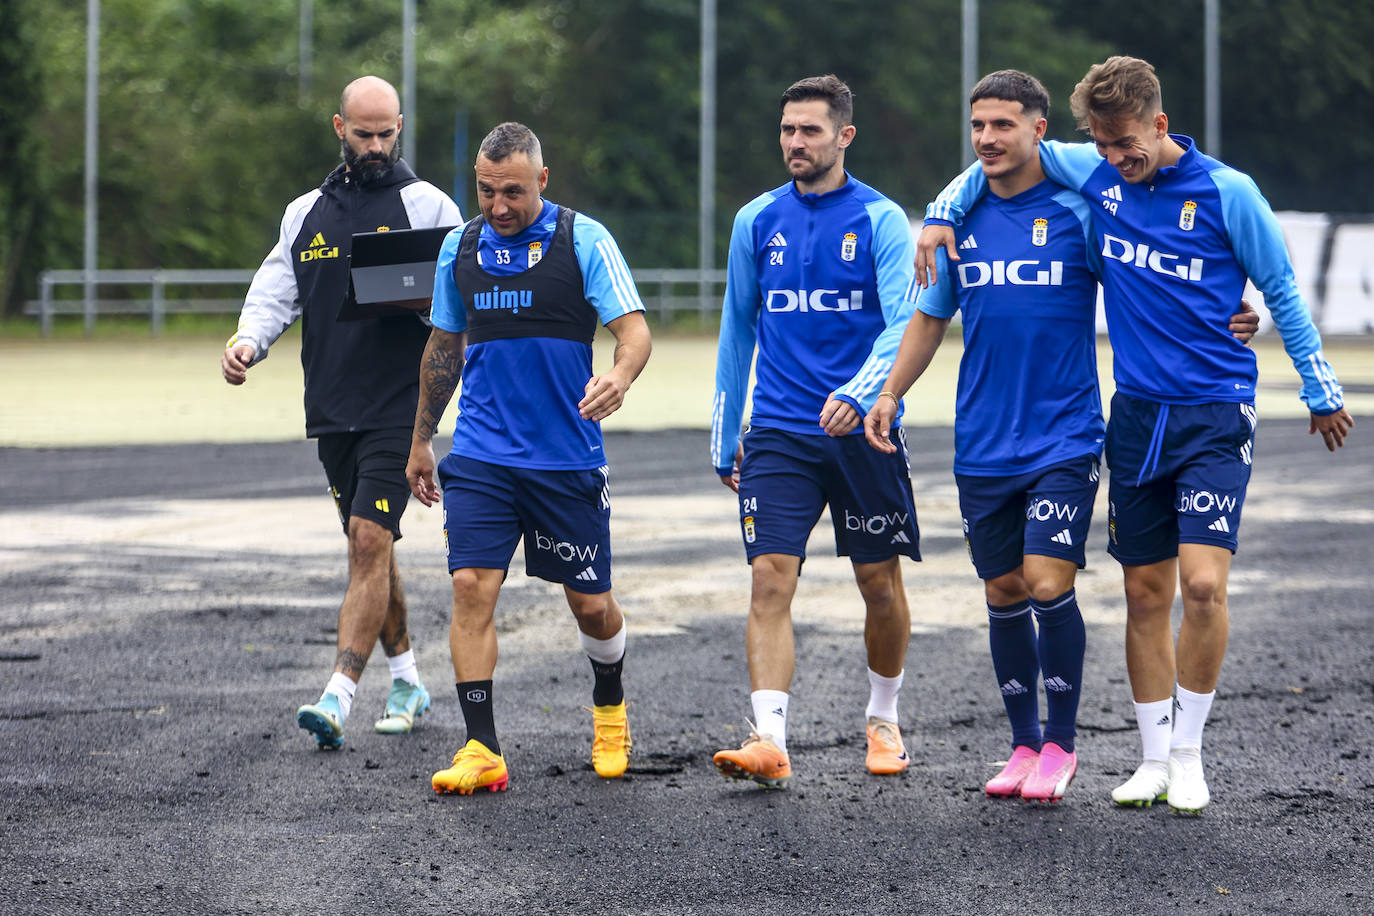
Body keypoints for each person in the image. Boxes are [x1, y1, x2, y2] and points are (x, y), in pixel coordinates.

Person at [917, 56, 1352, 813]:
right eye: (1102, 146)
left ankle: (1188, 754)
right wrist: (939, 213)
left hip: (1216, 410)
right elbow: (996, 155)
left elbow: (1278, 286)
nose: (1116, 161)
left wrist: (1319, 387)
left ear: (1159, 122)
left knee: (1204, 586)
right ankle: (1151, 760)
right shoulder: (1096, 176)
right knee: (1144, 593)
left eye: (1126, 145)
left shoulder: (1228, 191)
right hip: (1137, 417)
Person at [867, 70, 1258, 804]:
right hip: (982, 436)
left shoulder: (1086, 210)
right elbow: (926, 320)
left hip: (1067, 435)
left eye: (1003, 125)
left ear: (1040, 130)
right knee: (1003, 587)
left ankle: (1062, 744)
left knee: (1049, 582)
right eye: (977, 126)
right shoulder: (962, 219)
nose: (987, 138)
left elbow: (1160, 279)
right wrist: (889, 393)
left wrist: (1233, 311)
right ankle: (1021, 743)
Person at [406, 122, 652, 796]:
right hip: (482, 454)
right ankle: (482, 747)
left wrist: (620, 377)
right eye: (486, 191)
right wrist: (422, 436)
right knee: (469, 588)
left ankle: (609, 707)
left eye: (512, 191)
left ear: (542, 180)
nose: (498, 206)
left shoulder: (584, 240)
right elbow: (444, 348)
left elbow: (634, 332)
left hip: (564, 459)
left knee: (591, 604)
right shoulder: (460, 247)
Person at [221, 76, 460, 750]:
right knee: (372, 552)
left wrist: (421, 302)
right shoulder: (306, 213)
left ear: (401, 126)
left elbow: (458, 303)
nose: (378, 145)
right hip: (331, 409)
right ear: (339, 128)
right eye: (365, 134)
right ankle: (409, 680)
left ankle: (338, 694)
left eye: (389, 133)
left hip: (400, 410)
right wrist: (245, 343)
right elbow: (275, 289)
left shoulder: (426, 204)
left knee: (367, 542)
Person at [709, 75, 921, 790]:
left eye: (810, 131)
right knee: (770, 579)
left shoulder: (884, 221)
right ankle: (769, 737)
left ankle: (883, 716)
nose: (795, 143)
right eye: (787, 131)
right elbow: (738, 327)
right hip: (777, 432)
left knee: (878, 584)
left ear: (844, 137)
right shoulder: (755, 221)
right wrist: (722, 430)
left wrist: (862, 396)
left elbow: (904, 324)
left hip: (866, 434)